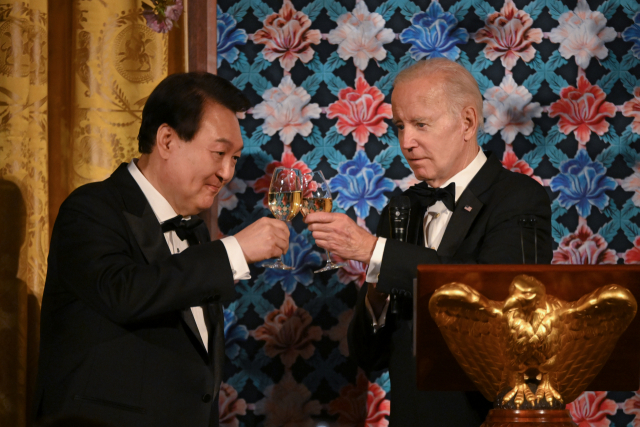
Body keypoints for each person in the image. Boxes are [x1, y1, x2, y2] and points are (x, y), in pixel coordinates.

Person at [305, 58, 552, 426]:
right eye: (400, 126)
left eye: (421, 124)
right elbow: (369, 355)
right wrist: (377, 291)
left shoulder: (519, 198)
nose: (406, 142)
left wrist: (375, 251)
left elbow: (498, 300)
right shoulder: (401, 208)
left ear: (467, 122)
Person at [34, 72, 290, 427]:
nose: (226, 172)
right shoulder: (91, 208)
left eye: (234, 158)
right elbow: (123, 292)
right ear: (167, 140)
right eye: (219, 153)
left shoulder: (196, 232)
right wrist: (233, 251)